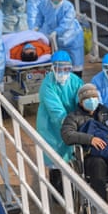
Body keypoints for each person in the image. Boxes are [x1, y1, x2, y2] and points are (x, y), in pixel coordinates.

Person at [36, 50, 83, 195]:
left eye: (66, 69)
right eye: (58, 69)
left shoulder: (76, 81)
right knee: (55, 160)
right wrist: (70, 123)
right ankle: (58, 194)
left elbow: (81, 99)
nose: (62, 72)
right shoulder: (47, 85)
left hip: (71, 123)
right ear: (52, 68)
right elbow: (55, 110)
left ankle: (72, 189)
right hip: (51, 127)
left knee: (73, 156)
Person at [34, 0, 84, 77]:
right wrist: (36, 26)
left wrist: (57, 31)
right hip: (56, 40)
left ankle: (77, 86)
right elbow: (39, 17)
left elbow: (66, 23)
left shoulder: (68, 6)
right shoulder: (44, 5)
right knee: (61, 65)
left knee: (76, 65)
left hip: (72, 39)